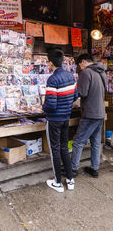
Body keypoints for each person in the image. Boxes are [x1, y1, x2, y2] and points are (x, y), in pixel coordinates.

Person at [43, 49, 78, 193]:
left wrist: (43, 105)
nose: (47, 64)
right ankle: (70, 179)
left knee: (55, 150)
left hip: (54, 120)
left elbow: (51, 105)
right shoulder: (70, 76)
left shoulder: (53, 79)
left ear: (51, 63)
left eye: (47, 62)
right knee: (64, 147)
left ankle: (58, 182)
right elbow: (75, 97)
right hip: (65, 118)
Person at [71, 54, 107, 178]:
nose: (80, 68)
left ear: (83, 62)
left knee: (78, 142)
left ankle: (73, 169)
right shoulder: (102, 72)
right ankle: (94, 169)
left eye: (79, 65)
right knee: (96, 142)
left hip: (90, 113)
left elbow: (82, 92)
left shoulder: (86, 73)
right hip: (100, 112)